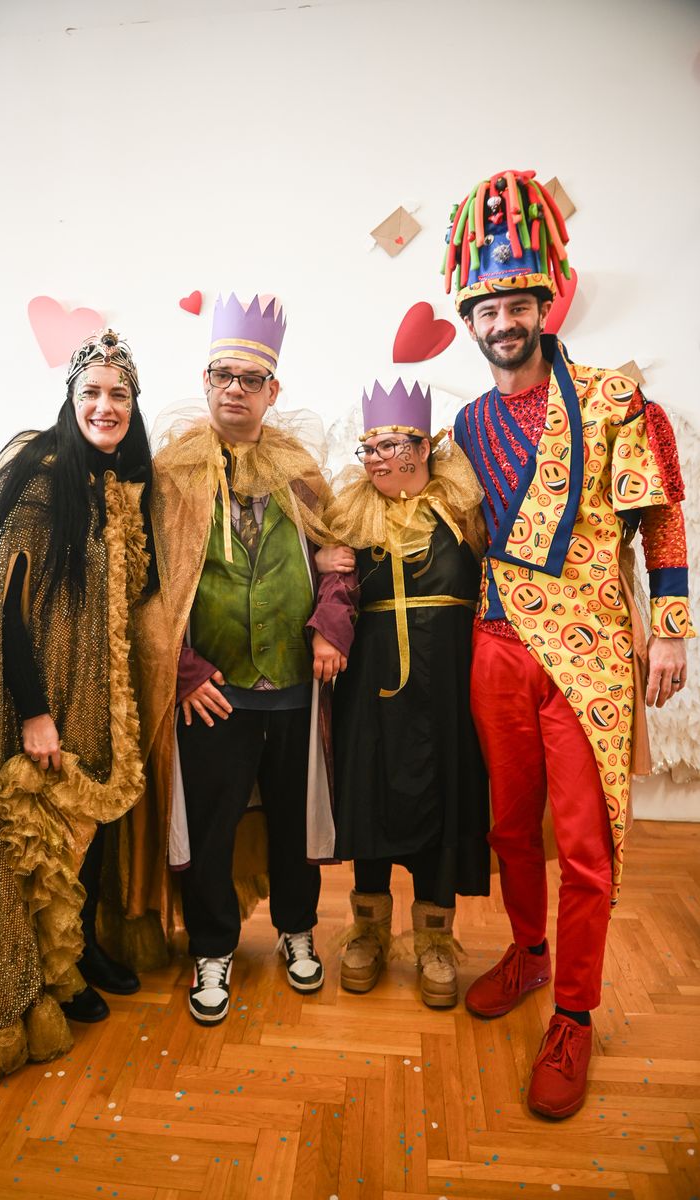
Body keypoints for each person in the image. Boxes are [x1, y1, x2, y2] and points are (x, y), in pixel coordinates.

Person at [441, 168, 694, 1118]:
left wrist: (670, 631)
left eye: (519, 303)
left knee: (585, 849)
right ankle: (529, 951)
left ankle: (576, 1016)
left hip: (589, 656)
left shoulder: (615, 398)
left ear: (545, 304)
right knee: (510, 827)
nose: (504, 320)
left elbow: (660, 516)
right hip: (496, 647)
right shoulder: (466, 425)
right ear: (470, 322)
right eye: (488, 308)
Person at [0, 329, 155, 1084]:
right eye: (91, 392)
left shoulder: (116, 481)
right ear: (70, 398)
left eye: (119, 394)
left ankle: (81, 951)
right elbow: (4, 607)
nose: (105, 406)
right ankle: (40, 976)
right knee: (39, 842)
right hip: (43, 690)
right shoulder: (39, 472)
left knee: (85, 836)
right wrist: (32, 710)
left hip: (95, 688)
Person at [131, 293, 356, 1025]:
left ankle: (297, 928)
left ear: (272, 390)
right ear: (205, 382)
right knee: (212, 825)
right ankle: (212, 946)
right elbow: (148, 583)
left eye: (250, 379)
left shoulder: (300, 471)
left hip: (293, 686)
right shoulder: (172, 476)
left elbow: (338, 560)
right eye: (223, 375)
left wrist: (330, 627)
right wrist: (183, 668)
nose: (235, 388)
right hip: (213, 692)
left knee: (294, 821)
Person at [323, 379, 490, 1006]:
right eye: (368, 447)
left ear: (423, 447)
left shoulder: (464, 511)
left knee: (443, 796)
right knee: (370, 793)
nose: (374, 458)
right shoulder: (351, 515)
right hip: (370, 684)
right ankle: (368, 931)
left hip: (447, 684)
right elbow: (331, 591)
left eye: (388, 445)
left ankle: (435, 940)